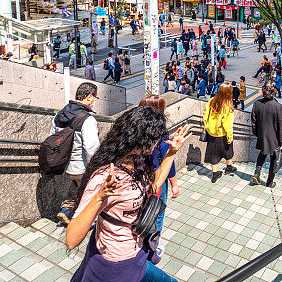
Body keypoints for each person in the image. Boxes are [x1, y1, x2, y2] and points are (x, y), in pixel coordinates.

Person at [65, 105, 191, 282]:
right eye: (154, 140)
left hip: (134, 253)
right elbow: (71, 239)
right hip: (116, 264)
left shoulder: (136, 162)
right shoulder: (105, 176)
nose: (156, 144)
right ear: (140, 140)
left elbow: (153, 185)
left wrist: (172, 152)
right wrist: (100, 196)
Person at [52, 82, 101, 225]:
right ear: (89, 97)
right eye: (94, 98)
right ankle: (83, 222)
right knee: (90, 194)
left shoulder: (60, 113)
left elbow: (52, 137)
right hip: (81, 166)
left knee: (76, 187)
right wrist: (96, 168)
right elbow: (92, 147)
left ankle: (65, 211)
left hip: (65, 165)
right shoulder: (87, 119)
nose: (93, 102)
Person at [137, 95, 179, 242]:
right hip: (157, 179)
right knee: (157, 212)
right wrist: (174, 184)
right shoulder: (160, 134)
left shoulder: (135, 130)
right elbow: (168, 161)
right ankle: (153, 243)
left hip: (138, 178)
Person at [251, 82, 282, 188]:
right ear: (273, 91)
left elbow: (253, 122)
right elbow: (281, 126)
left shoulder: (257, 103)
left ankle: (257, 173)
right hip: (274, 138)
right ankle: (269, 182)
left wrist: (257, 134)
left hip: (262, 135)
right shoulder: (278, 106)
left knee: (262, 154)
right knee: (274, 160)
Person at [203, 84, 236, 182]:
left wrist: (207, 127)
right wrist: (230, 137)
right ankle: (229, 167)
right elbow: (228, 125)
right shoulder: (227, 107)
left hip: (212, 134)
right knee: (228, 150)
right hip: (222, 134)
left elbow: (205, 116)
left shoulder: (211, 101)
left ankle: (214, 174)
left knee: (214, 154)